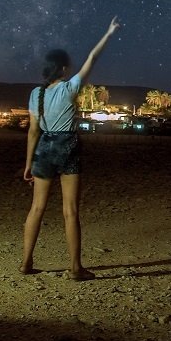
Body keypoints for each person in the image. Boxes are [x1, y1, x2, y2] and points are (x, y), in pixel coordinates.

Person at [20, 16, 120, 280]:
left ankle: (26, 263)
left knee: (36, 208)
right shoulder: (70, 87)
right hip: (67, 146)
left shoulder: (35, 94)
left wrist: (28, 163)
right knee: (70, 210)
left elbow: (33, 131)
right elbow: (92, 58)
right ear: (63, 69)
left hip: (43, 147)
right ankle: (75, 268)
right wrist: (108, 33)